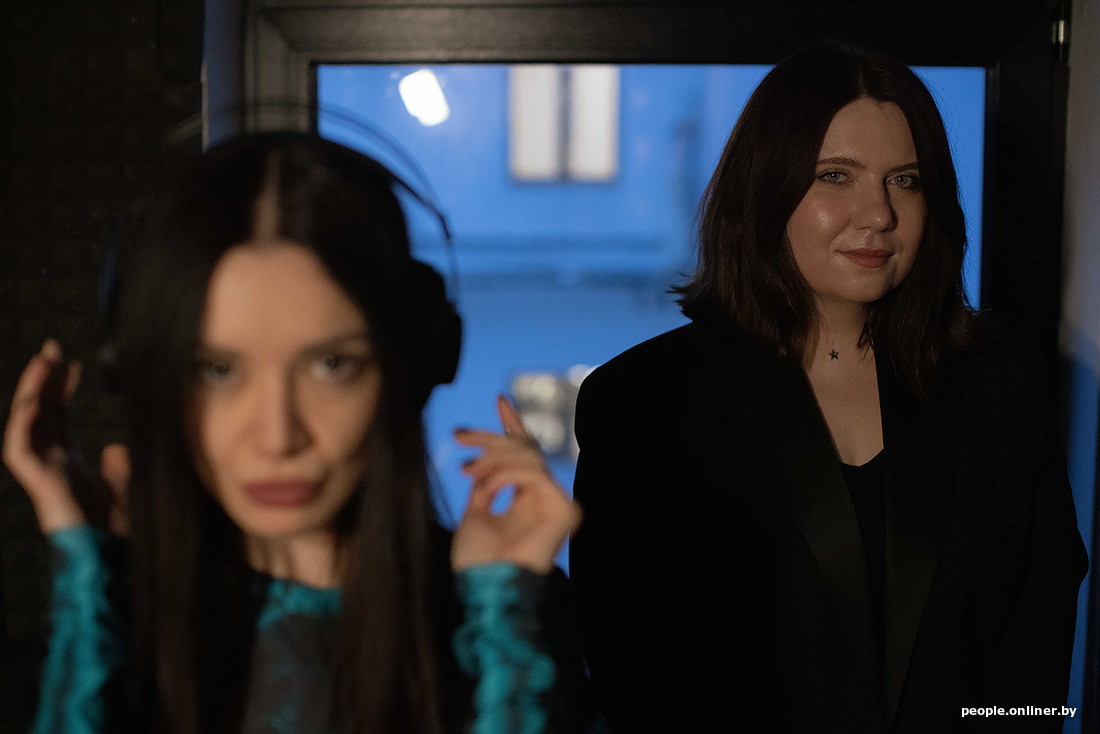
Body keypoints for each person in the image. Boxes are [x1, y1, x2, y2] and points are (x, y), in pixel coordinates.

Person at [569, 42, 1087, 733]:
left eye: (905, 180)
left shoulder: (1002, 383)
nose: (878, 214)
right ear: (764, 191)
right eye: (836, 176)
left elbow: (1037, 645)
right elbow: (634, 673)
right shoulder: (643, 401)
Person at [3, 132, 591, 734]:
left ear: (409, 365)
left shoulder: (503, 626)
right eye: (218, 371)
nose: (278, 437)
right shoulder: (110, 623)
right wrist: (88, 587)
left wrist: (505, 622)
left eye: (332, 365)